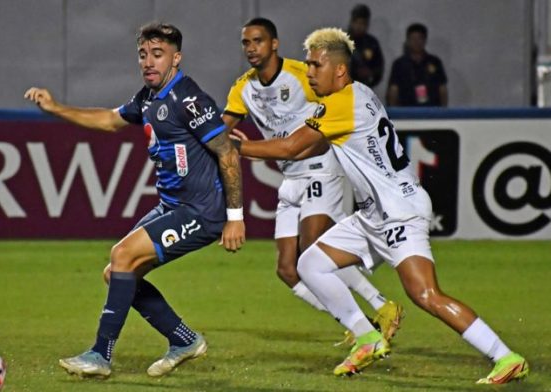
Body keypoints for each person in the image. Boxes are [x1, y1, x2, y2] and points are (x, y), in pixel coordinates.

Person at [233, 27, 528, 384]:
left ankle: (505, 356)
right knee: (310, 263)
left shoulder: (341, 104)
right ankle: (368, 338)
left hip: (399, 211)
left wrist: (237, 147)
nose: (308, 72)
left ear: (338, 70)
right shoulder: (358, 93)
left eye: (315, 65)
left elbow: (289, 148)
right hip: (374, 214)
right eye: (308, 65)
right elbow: (310, 145)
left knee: (425, 294)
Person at [24, 22, 245, 379]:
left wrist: (235, 217)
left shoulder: (187, 99)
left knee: (122, 256)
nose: (148, 62)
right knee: (117, 273)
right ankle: (183, 339)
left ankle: (100, 355)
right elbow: (111, 120)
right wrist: (56, 108)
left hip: (200, 212)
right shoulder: (148, 98)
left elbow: (228, 154)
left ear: (176, 58)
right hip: (173, 206)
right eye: (143, 54)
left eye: (157, 54)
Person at [222, 17, 402, 344]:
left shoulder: (303, 74)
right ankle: (358, 324)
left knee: (313, 248)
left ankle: (380, 307)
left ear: (274, 43)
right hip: (290, 175)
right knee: (288, 270)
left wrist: (242, 148)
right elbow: (220, 131)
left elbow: (337, 104)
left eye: (258, 41)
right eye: (246, 42)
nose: (251, 48)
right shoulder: (243, 88)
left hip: (321, 165)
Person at [387, 23, 448, 107]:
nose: (416, 42)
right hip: (406, 112)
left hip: (432, 111)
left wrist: (443, 112)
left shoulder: (435, 62)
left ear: (425, 40)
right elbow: (394, 89)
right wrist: (393, 113)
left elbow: (442, 89)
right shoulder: (399, 64)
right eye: (413, 39)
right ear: (408, 41)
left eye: (419, 38)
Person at [347, 4, 384, 88]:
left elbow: (379, 68)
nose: (359, 26)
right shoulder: (341, 41)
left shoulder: (372, 43)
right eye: (357, 22)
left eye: (362, 23)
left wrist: (370, 73)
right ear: (352, 22)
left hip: (364, 88)